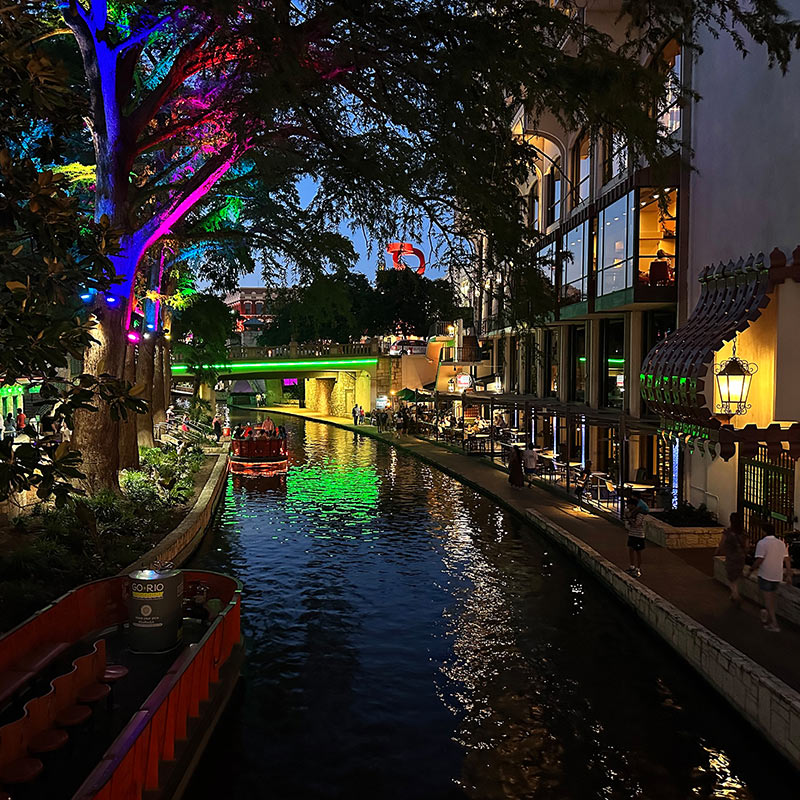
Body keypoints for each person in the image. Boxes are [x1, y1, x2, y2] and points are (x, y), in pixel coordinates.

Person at [752, 522, 791, 633]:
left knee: (768, 600)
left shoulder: (762, 543)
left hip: (765, 575)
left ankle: (774, 622)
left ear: (764, 531)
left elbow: (759, 559)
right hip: (777, 575)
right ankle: (767, 615)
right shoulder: (780, 543)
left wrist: (751, 569)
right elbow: (787, 559)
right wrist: (788, 574)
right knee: (771, 599)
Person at [715, 512, 747, 605]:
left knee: (731, 576)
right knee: (736, 575)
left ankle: (735, 594)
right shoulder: (744, 533)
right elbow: (747, 546)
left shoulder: (728, 532)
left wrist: (717, 552)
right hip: (741, 557)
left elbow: (722, 543)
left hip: (731, 556)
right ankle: (733, 595)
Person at [624, 496, 646, 578]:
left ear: (633, 505)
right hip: (632, 534)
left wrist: (629, 519)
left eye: (628, 505)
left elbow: (636, 525)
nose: (627, 507)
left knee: (638, 552)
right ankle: (632, 566)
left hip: (639, 535)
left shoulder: (640, 514)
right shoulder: (631, 513)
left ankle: (638, 568)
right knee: (631, 550)